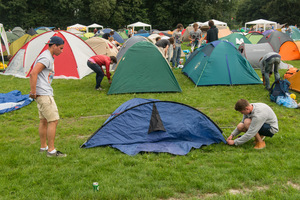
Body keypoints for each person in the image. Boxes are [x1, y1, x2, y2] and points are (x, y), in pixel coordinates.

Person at [29, 36, 67, 157]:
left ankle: (43, 147)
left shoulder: (46, 55)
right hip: (44, 94)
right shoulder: (46, 57)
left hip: (42, 93)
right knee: (53, 120)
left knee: (44, 120)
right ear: (54, 46)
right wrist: (33, 91)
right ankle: (51, 151)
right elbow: (33, 73)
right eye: (60, 48)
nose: (62, 51)